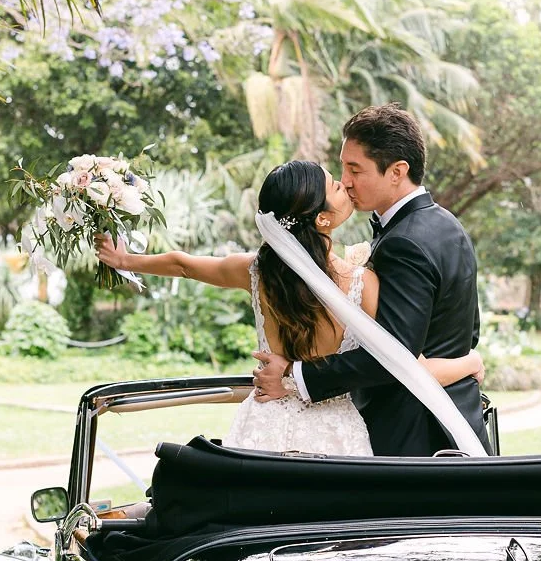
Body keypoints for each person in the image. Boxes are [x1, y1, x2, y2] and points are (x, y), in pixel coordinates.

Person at [94, 158, 483, 456]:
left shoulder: (257, 272)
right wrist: (469, 363)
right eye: (336, 185)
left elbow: (183, 264)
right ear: (323, 219)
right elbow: (402, 363)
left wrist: (125, 260)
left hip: (265, 420)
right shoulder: (362, 284)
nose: (346, 185)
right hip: (336, 430)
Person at [252, 103, 489, 456]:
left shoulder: (405, 242)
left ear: (397, 172)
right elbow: (467, 334)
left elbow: (392, 355)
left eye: (355, 169)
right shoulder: (446, 224)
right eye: (343, 167)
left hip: (414, 435)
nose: (345, 180)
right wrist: (466, 363)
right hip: (456, 420)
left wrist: (294, 375)